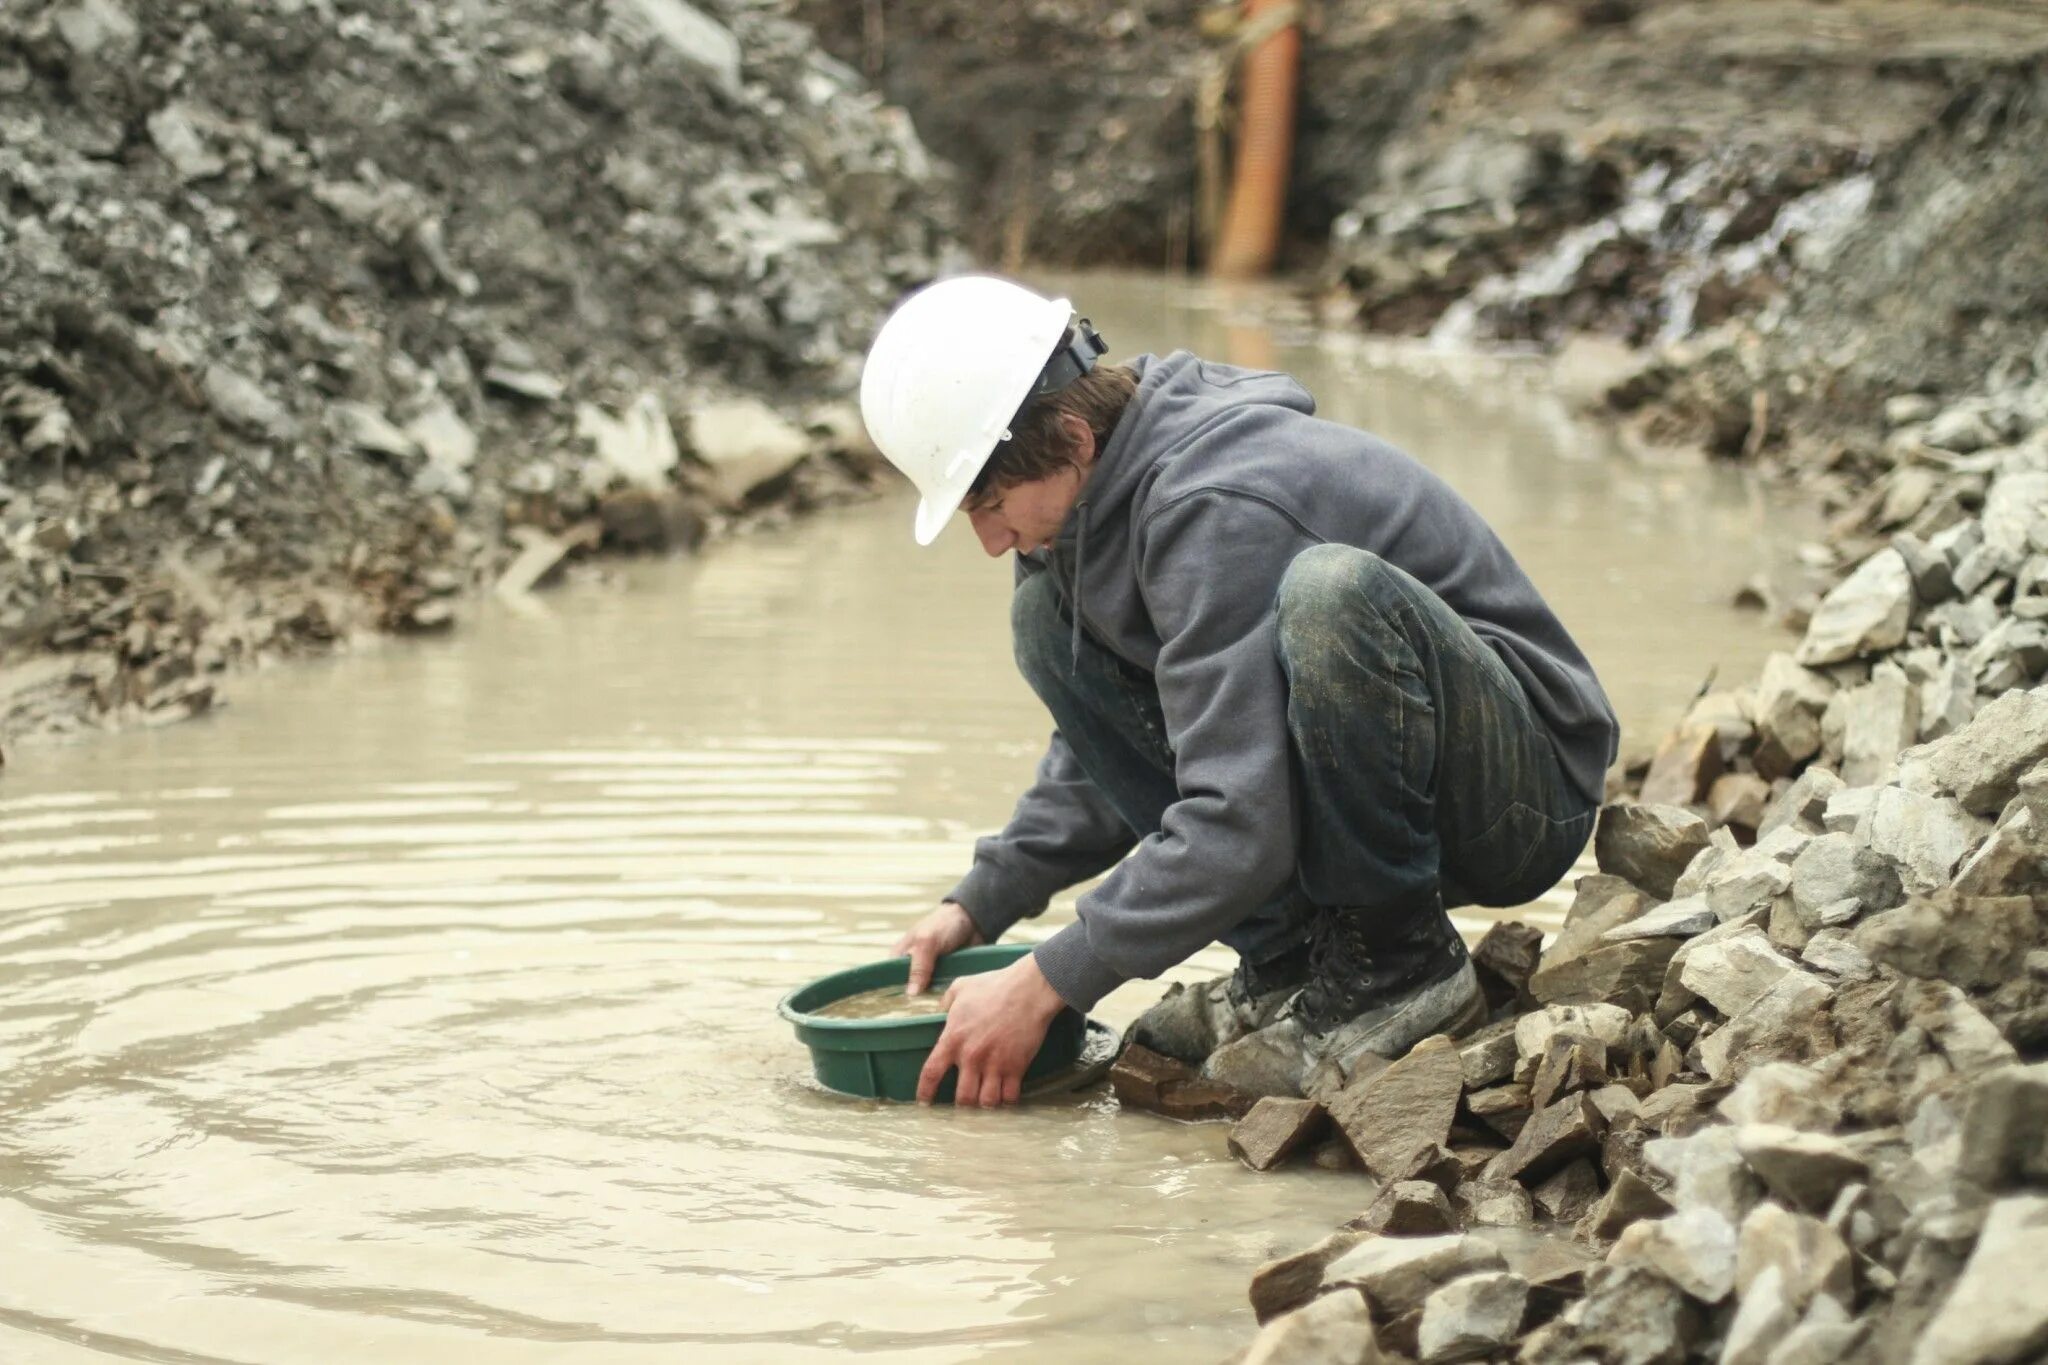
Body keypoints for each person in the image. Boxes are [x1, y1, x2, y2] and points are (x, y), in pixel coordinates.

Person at [861, 275, 1618, 1108]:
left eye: (993, 503)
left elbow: (1237, 819)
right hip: (1388, 776)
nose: (989, 539)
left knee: (1332, 595)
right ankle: (1292, 962)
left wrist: (1048, 980)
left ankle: (1400, 969)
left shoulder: (1216, 504)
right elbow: (1107, 753)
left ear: (1073, 436)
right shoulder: (1082, 513)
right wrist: (976, 905)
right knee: (1043, 619)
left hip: (1516, 797)